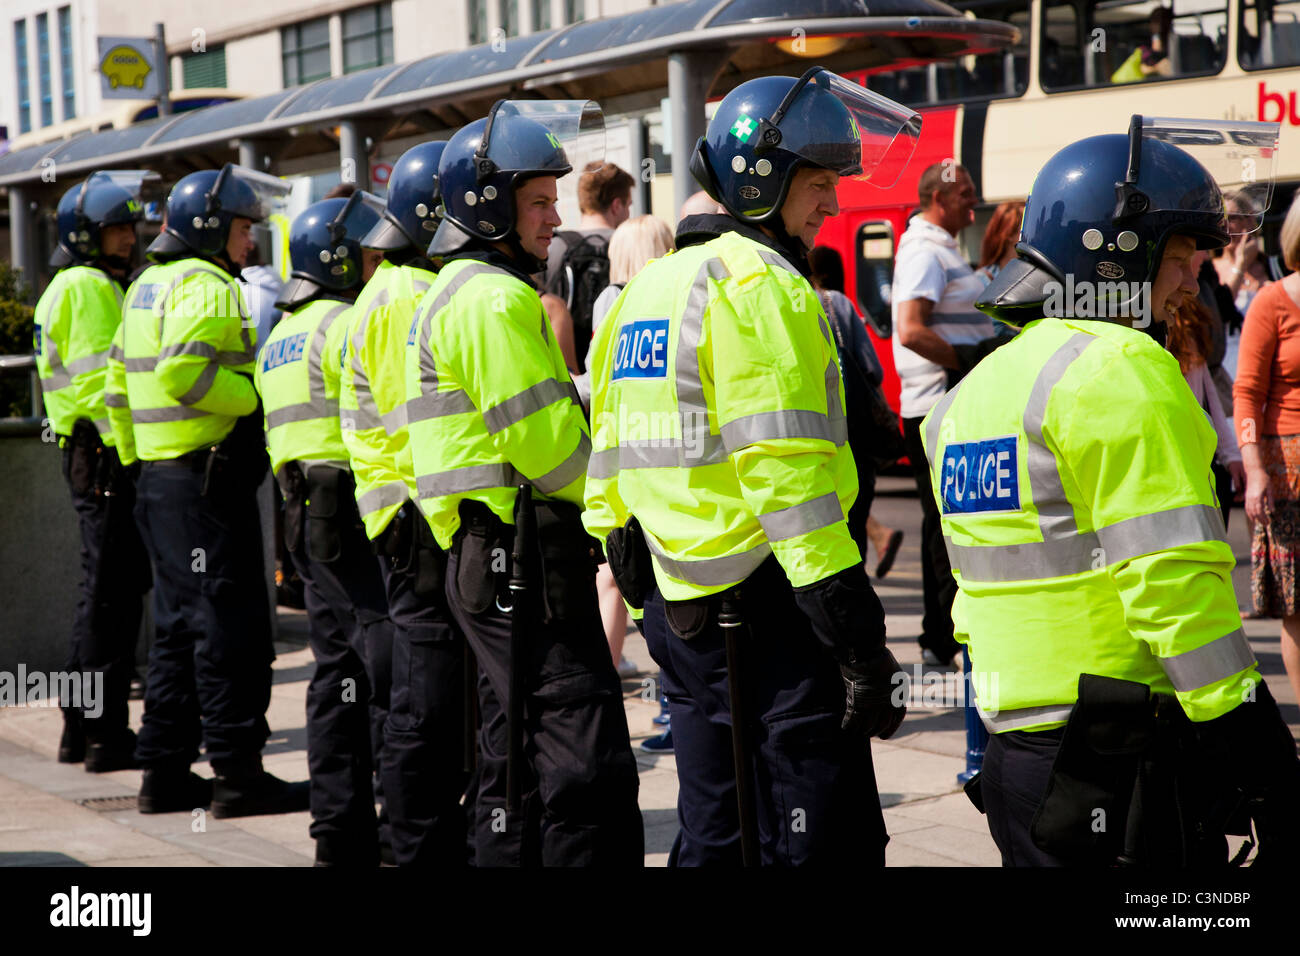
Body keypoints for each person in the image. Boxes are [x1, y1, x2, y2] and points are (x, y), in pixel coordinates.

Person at [928, 116, 1300, 866]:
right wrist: (1263, 764)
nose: (1196, 271)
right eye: (1180, 251)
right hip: (1117, 752)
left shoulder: (971, 393)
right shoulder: (1120, 367)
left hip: (1019, 755)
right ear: (1113, 257)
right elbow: (1175, 591)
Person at [585, 67, 918, 866]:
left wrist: (634, 574)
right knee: (813, 836)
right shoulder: (761, 283)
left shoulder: (643, 289)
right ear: (763, 178)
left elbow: (610, 452)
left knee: (715, 831)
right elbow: (794, 489)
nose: (832, 204)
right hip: (772, 617)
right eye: (819, 182)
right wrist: (859, 639)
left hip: (681, 609)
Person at [409, 101, 644, 867]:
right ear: (488, 205)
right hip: (528, 560)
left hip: (490, 556)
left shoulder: (455, 290)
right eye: (539, 201)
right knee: (584, 765)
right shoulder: (494, 298)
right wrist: (619, 504)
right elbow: (550, 450)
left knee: (511, 763)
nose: (553, 217)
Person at [105, 163, 309, 818]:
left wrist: (142, 462)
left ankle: (162, 774)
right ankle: (238, 775)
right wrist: (253, 400)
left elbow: (116, 386)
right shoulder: (206, 283)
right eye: (245, 228)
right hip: (204, 485)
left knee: (175, 632)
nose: (250, 242)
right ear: (213, 229)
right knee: (230, 630)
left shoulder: (145, 286)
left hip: (163, 486)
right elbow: (182, 369)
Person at [338, 141, 469, 867]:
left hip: (409, 519)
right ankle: (413, 851)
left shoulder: (393, 289)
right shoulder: (404, 297)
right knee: (421, 708)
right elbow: (420, 422)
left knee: (423, 703)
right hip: (420, 523)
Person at [254, 193, 391, 866]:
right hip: (359, 516)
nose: (379, 265)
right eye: (369, 254)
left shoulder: (278, 338)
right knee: (388, 667)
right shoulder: (350, 323)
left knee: (333, 671)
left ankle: (337, 830)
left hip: (303, 519)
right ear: (342, 260)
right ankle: (399, 821)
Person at [36, 171, 155, 772]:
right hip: (104, 454)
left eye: (130, 227)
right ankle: (104, 734)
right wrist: (130, 459)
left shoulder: (72, 283)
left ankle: (81, 729)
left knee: (100, 591)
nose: (129, 239)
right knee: (110, 597)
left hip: (85, 453)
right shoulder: (87, 287)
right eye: (115, 229)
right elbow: (104, 385)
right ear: (85, 234)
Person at [892, 161, 990, 666]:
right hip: (936, 403)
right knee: (944, 522)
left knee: (945, 520)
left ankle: (941, 634)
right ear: (938, 198)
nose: (973, 202)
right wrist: (969, 360)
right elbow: (911, 329)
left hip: (943, 400)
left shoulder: (943, 247)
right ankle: (941, 637)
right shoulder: (926, 252)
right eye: (966, 194)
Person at [1236, 189, 1300, 709]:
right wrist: (1254, 470)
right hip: (1287, 474)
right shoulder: (1272, 301)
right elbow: (1247, 393)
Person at [808, 244, 904, 579]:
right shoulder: (838, 304)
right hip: (853, 437)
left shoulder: (788, 301)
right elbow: (872, 370)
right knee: (855, 526)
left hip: (810, 441)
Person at [543, 161, 635, 373]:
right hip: (613, 377)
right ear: (616, 205)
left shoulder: (550, 247)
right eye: (628, 205)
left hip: (564, 377)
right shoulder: (628, 246)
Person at [1166, 295, 1243, 529]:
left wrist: (1231, 455)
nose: (1193, 283)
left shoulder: (1191, 318)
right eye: (1181, 261)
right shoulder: (1153, 330)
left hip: (1201, 460)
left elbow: (1209, 397)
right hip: (1175, 463)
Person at [1215, 192, 1272, 318]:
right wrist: (1240, 265)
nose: (1225, 226)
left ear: (1250, 220)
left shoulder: (1273, 267)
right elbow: (1219, 312)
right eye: (1220, 219)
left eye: (1231, 218)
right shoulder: (1210, 269)